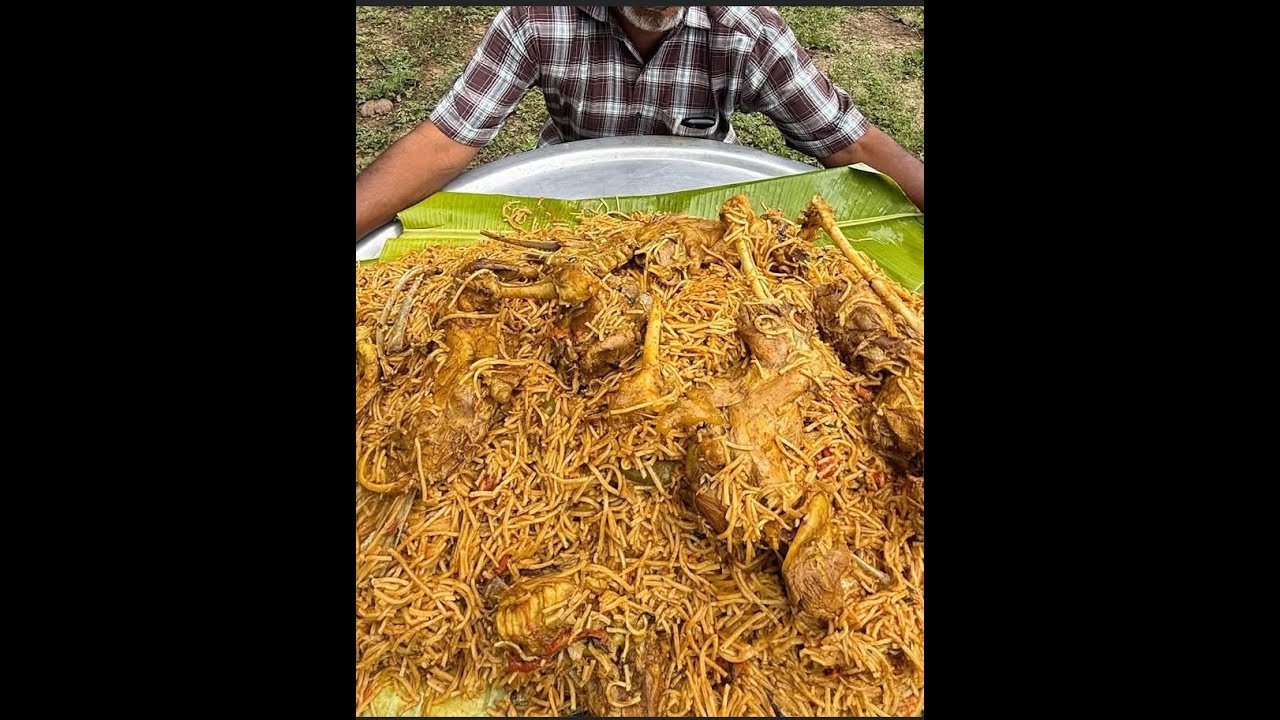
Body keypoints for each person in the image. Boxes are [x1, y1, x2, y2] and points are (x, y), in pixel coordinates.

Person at [355, 5, 924, 241]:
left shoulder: (747, 29)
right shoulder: (537, 17)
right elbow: (442, 144)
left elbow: (852, 146)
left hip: (708, 220)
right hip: (568, 214)